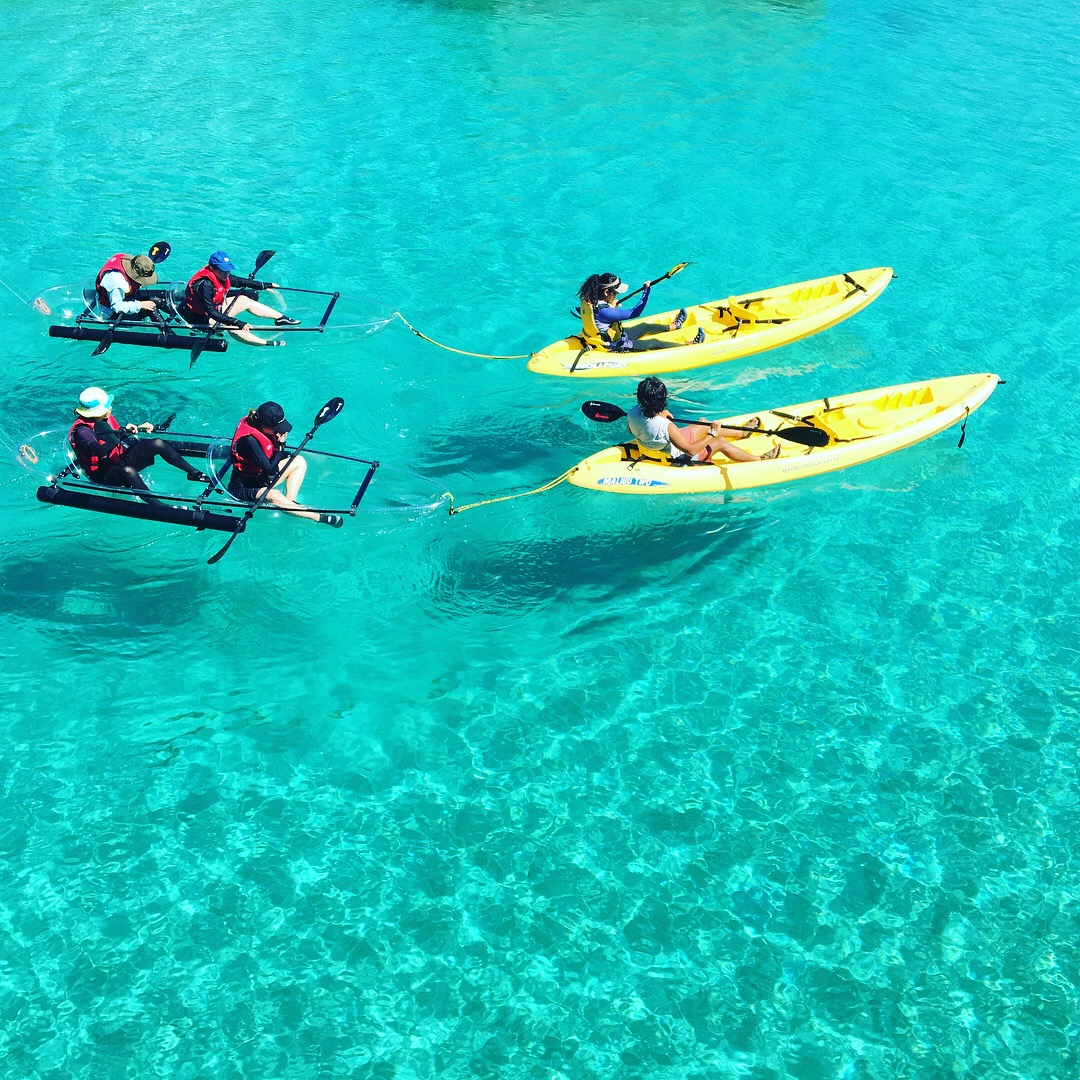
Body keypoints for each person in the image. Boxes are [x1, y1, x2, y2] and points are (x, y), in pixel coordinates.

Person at [68, 387, 210, 498]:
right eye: (106, 406)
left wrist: (130, 429)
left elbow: (110, 436)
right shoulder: (83, 432)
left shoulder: (101, 418)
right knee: (128, 471)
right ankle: (158, 506)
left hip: (118, 459)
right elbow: (100, 451)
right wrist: (122, 435)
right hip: (102, 474)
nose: (110, 408)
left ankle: (193, 473)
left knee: (157, 443)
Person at [228, 401, 342, 526]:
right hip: (243, 489)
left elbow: (271, 459)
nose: (278, 431)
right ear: (263, 425)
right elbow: (270, 469)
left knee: (299, 461)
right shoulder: (249, 440)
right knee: (273, 495)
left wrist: (280, 446)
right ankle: (317, 517)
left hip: (261, 478)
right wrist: (281, 445)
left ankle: (289, 503)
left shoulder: (264, 429)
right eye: (275, 429)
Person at [627, 377, 780, 463]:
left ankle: (741, 434)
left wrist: (658, 414)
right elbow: (691, 450)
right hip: (677, 458)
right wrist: (712, 434)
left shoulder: (632, 413)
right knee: (720, 441)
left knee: (703, 422)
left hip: (656, 448)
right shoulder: (666, 426)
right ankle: (758, 459)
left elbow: (635, 428)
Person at [181, 251, 299, 346]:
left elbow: (240, 281)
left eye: (228, 269)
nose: (226, 273)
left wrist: (264, 285)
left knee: (243, 299)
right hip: (201, 319)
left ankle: (281, 319)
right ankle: (265, 343)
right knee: (232, 326)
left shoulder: (222, 276)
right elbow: (210, 312)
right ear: (212, 268)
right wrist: (237, 322)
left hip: (216, 311)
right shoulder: (205, 285)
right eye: (222, 270)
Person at [577, 272, 705, 351]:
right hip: (616, 345)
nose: (616, 295)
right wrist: (646, 292)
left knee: (645, 326)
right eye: (615, 292)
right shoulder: (605, 312)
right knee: (656, 343)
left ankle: (674, 326)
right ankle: (689, 346)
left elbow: (601, 315)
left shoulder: (591, 301)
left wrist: (612, 305)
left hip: (613, 336)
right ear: (606, 292)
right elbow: (635, 313)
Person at [95, 252, 161, 320]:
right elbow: (116, 307)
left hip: (127, 299)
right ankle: (165, 330)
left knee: (157, 301)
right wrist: (140, 305)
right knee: (151, 309)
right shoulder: (116, 278)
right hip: (111, 312)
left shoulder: (132, 262)